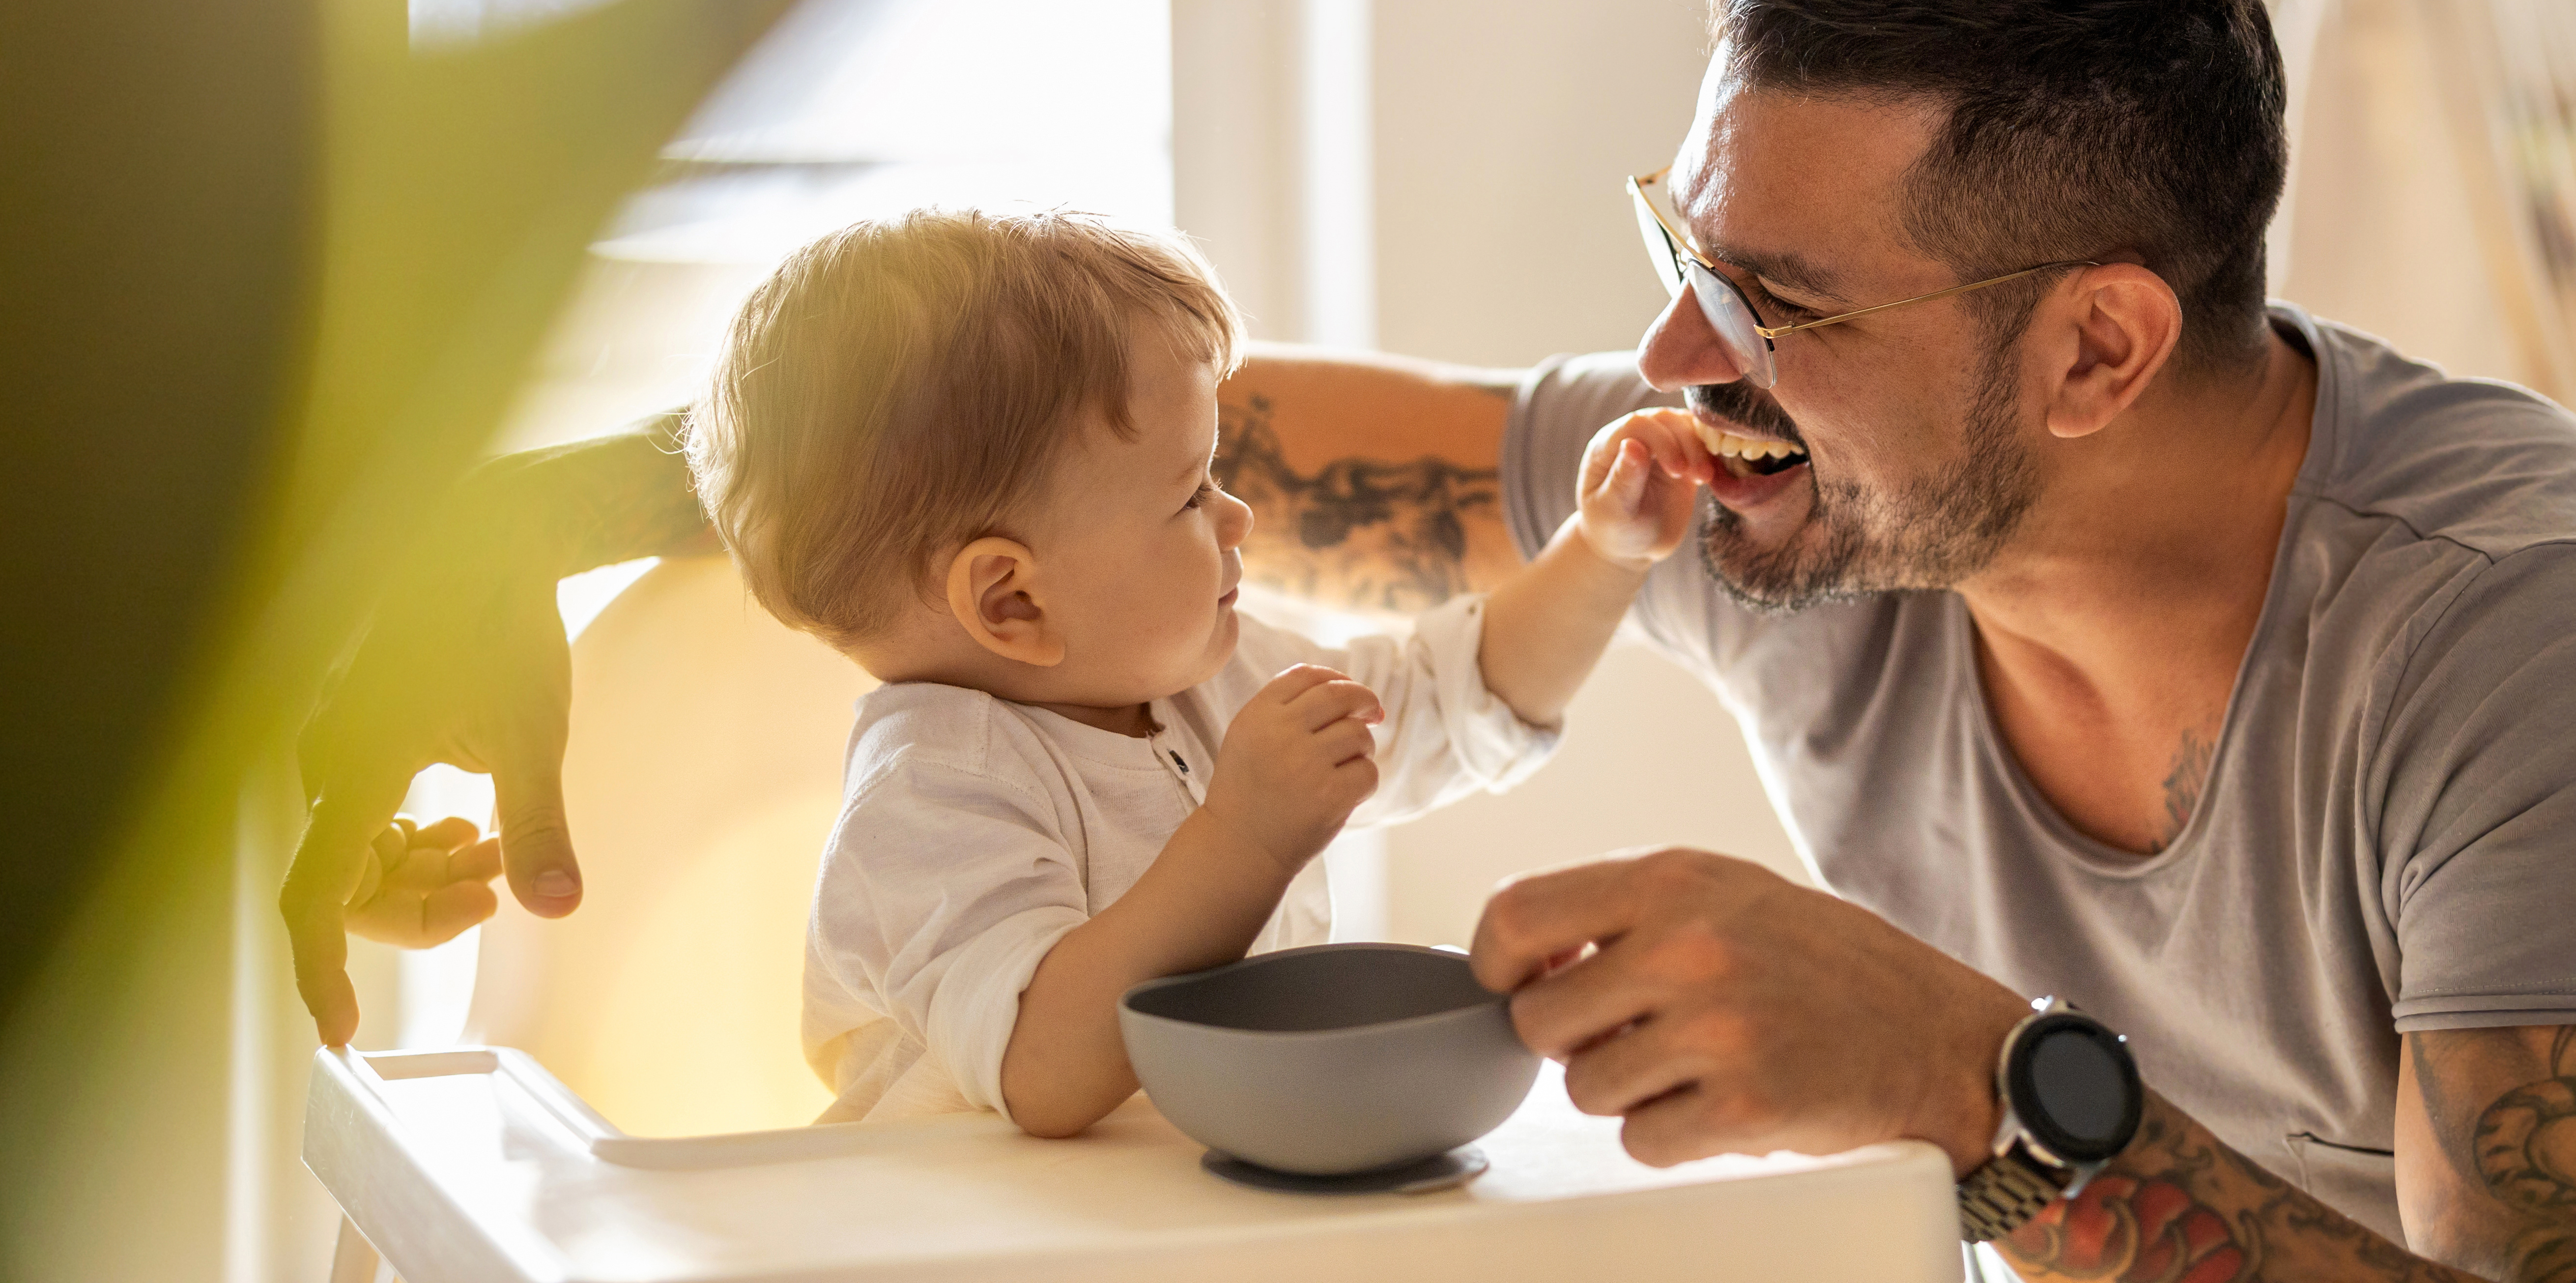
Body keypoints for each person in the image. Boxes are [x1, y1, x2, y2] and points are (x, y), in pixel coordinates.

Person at [283, 0, 2576, 1280]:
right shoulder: (1769, 493)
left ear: (2101, 350)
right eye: (1689, 254)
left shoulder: (2530, 648)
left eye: (1776, 296)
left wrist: (1986, 1091)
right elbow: (1098, 455)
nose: (1670, 376)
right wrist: (501, 534)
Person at [354, 205, 1707, 1131]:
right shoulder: (934, 788)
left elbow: (1458, 693)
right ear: (1011, 600)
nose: (1239, 521)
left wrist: (1604, 551)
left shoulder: (1204, 675)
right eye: (1191, 498)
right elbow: (1045, 1067)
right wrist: (1243, 836)